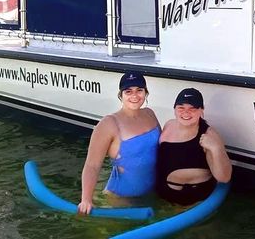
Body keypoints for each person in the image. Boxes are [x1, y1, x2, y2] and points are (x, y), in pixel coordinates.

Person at [77, 72, 160, 215]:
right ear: (120, 95)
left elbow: (164, 148)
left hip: (151, 193)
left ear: (146, 93)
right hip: (121, 199)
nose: (135, 96)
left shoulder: (150, 114)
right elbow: (92, 165)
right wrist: (86, 199)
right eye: (128, 91)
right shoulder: (108, 124)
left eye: (139, 90)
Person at [155, 88, 232, 205]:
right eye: (181, 108)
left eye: (192, 109)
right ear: (174, 109)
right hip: (163, 197)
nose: (186, 113)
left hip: (194, 200)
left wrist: (216, 149)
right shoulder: (169, 125)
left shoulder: (209, 135)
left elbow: (224, 178)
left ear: (201, 110)